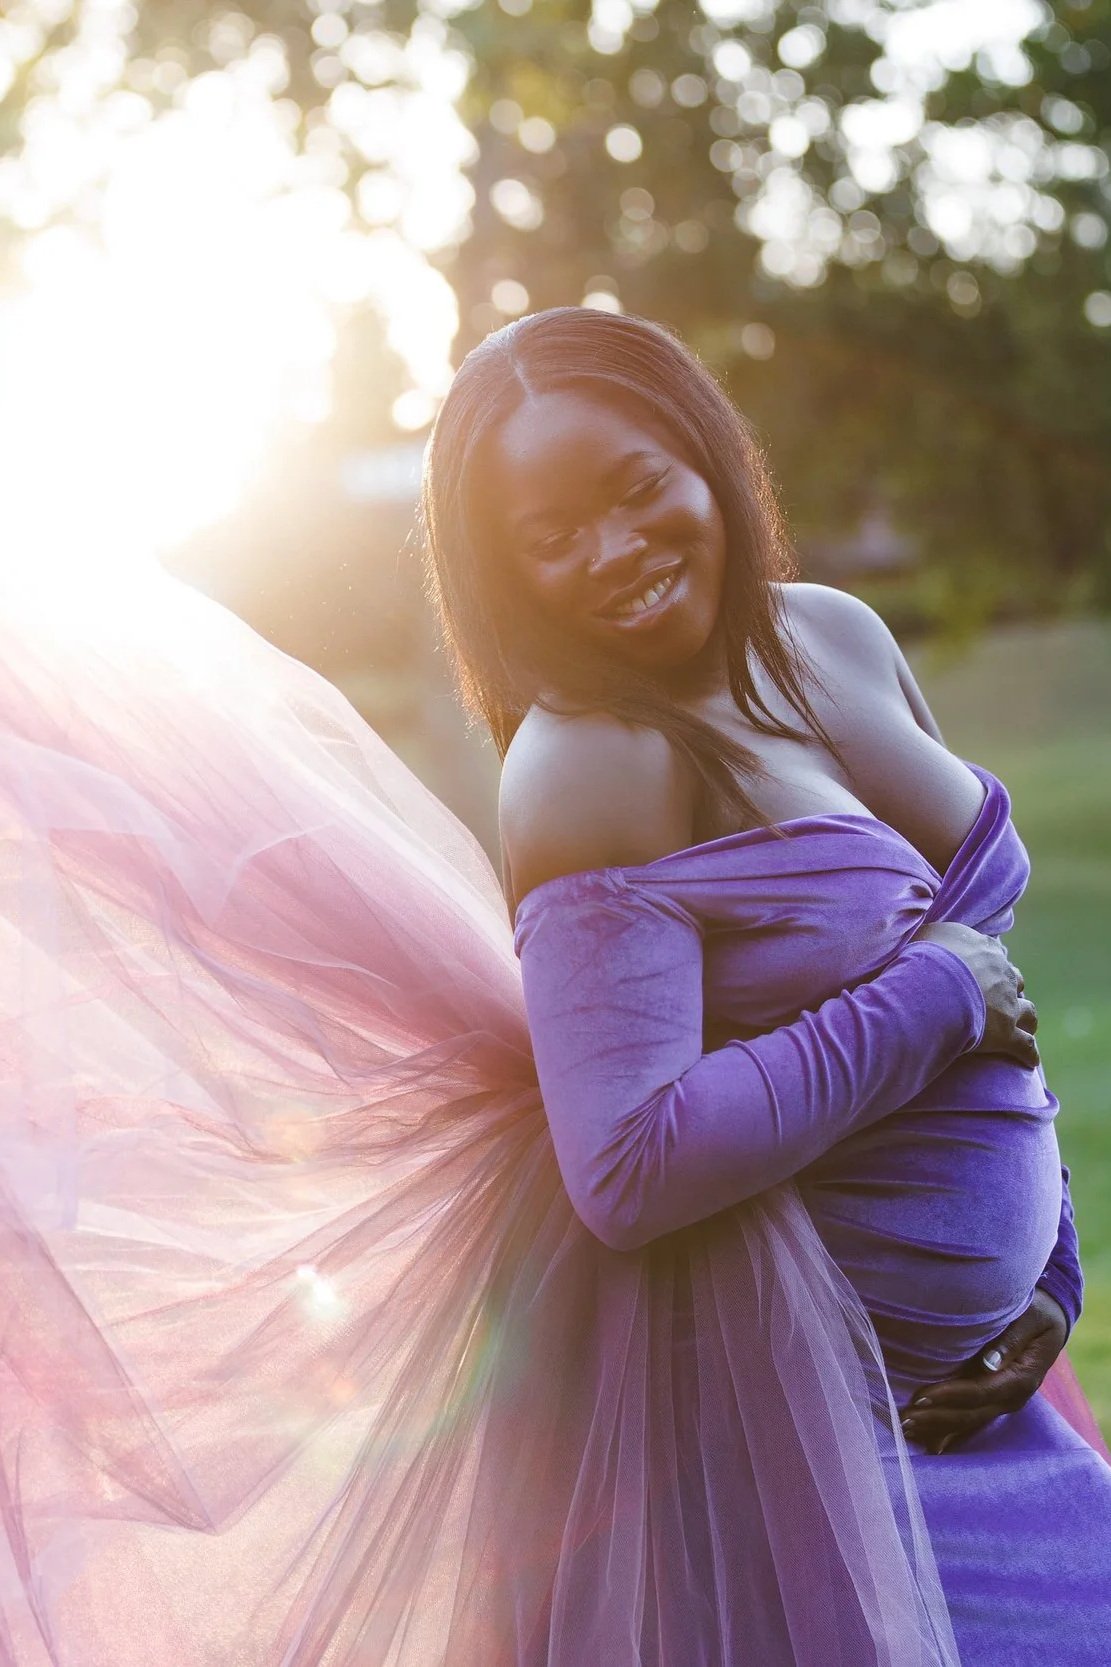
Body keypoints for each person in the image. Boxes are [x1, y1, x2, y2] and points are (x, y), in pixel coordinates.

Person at [0, 306, 1106, 1666]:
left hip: (991, 1396)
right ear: (504, 574)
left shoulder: (836, 639)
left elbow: (989, 993)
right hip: (817, 1457)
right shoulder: (593, 765)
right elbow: (631, 1163)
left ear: (707, 454)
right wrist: (927, 1001)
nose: (614, 555)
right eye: (551, 537)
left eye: (640, 492)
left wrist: (1046, 1276)